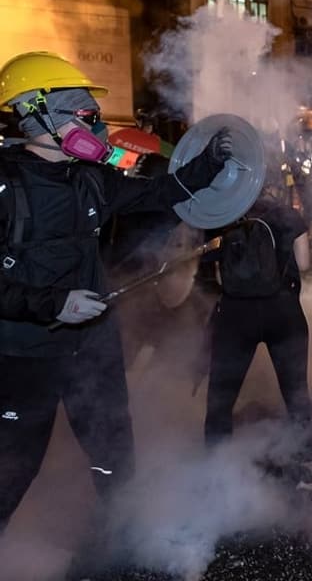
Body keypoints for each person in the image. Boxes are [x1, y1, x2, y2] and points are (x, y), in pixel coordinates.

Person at [0, 51, 232, 533]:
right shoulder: (6, 183)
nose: (98, 127)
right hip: (25, 353)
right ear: (38, 113)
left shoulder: (91, 177)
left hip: (93, 344)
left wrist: (211, 163)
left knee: (113, 451)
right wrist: (53, 305)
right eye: (87, 116)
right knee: (14, 467)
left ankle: (125, 541)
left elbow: (157, 193)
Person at [203, 179, 312, 445]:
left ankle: (214, 470)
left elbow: (216, 275)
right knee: (296, 394)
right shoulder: (286, 214)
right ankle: (307, 462)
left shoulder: (220, 215)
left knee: (221, 398)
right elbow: (304, 263)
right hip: (284, 313)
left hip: (235, 316)